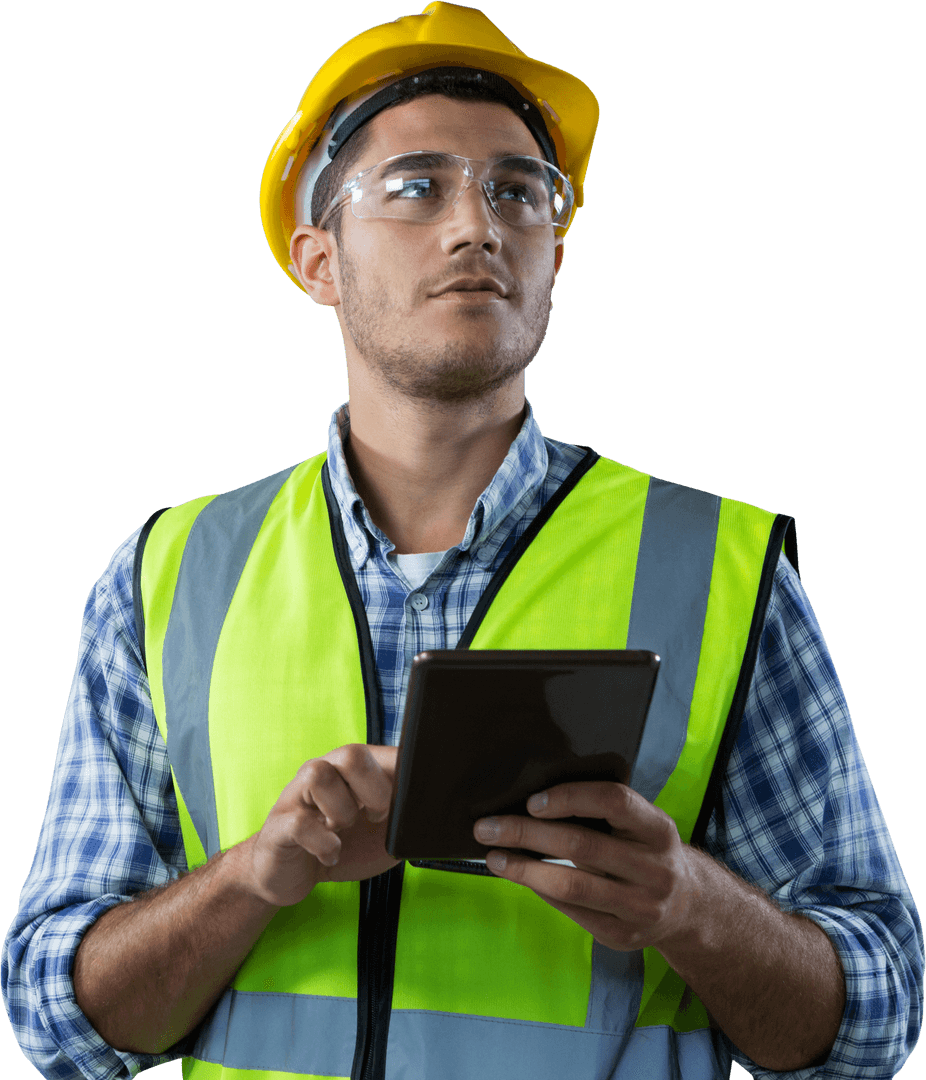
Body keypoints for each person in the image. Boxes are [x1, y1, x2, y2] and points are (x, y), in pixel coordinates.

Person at [2, 3, 923, 1078]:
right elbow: (57, 1020)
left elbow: (874, 1019)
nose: (474, 226)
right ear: (317, 261)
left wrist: (689, 906)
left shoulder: (722, 570)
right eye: (414, 187)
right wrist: (251, 878)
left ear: (554, 253)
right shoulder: (167, 576)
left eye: (517, 192)